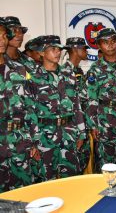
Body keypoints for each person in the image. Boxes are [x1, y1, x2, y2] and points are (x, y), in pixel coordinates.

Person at [28, 35, 86, 181]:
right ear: (41, 52)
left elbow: (77, 104)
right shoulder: (33, 77)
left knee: (71, 178)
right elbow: (30, 111)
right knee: (46, 179)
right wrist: (33, 142)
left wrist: (81, 132)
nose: (58, 52)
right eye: (52, 49)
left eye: (59, 49)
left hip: (68, 134)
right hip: (44, 136)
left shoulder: (68, 74)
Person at [85, 28, 116, 173]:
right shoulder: (95, 69)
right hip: (105, 122)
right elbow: (91, 98)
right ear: (99, 46)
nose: (110, 45)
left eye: (113, 41)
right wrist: (93, 125)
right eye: (105, 42)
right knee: (106, 165)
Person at [0, 17, 37, 192]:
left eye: (3, 36)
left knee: (23, 194)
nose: (2, 40)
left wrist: (33, 141)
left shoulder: (19, 70)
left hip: (19, 143)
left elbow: (29, 107)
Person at [62, 37, 90, 172]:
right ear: (74, 49)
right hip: (72, 127)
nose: (86, 51)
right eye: (84, 48)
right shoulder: (64, 72)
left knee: (83, 160)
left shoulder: (78, 71)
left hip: (83, 124)